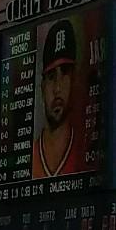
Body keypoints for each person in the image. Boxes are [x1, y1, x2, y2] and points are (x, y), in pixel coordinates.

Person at [33, 16, 87, 181]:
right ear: (42, 87)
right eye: (51, 76)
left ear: (74, 79)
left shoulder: (85, 154)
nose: (57, 88)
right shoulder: (30, 158)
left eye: (64, 73)